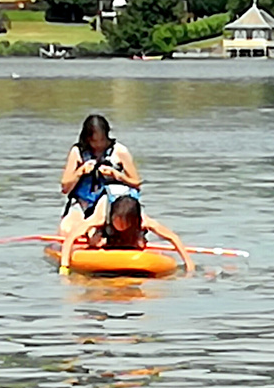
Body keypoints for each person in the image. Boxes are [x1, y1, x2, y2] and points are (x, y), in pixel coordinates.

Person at [60, 193, 192, 274]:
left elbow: (172, 237)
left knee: (139, 244)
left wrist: (189, 265)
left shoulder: (144, 221)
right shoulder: (100, 217)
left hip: (131, 227)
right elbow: (71, 238)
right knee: (96, 241)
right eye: (117, 221)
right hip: (103, 223)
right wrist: (64, 267)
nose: (120, 225)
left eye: (123, 223)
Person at [59, 114, 142, 234]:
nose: (99, 145)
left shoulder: (119, 151)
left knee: (93, 231)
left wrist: (116, 175)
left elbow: (136, 183)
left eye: (102, 140)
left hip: (109, 202)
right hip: (83, 202)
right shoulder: (77, 152)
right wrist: (80, 172)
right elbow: (65, 188)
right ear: (87, 139)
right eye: (94, 141)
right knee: (66, 229)